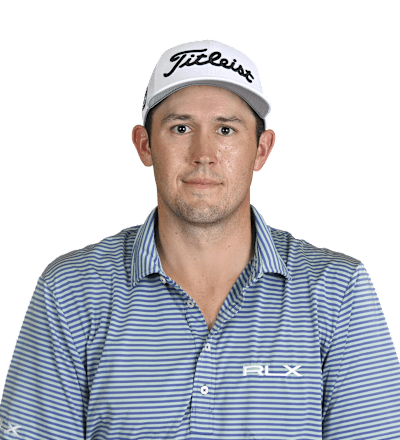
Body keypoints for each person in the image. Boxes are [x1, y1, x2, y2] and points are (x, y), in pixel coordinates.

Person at [0, 39, 399, 440]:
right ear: (144, 145)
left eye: (226, 129)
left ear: (261, 150)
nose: (203, 153)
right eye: (181, 128)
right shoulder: (70, 291)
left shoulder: (337, 291)